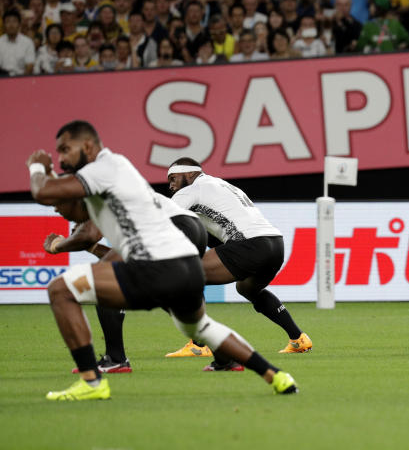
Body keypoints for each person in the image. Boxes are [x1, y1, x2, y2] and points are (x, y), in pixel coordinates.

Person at [27, 121, 298, 400]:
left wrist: (38, 167)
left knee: (61, 289)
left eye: (65, 149)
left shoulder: (103, 169)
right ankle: (275, 375)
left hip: (162, 256)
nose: (61, 157)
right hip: (185, 262)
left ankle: (98, 376)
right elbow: (82, 223)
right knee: (199, 326)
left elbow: (47, 196)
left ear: (86, 146)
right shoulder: (109, 180)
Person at [43, 191, 213, 373]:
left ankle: (116, 359)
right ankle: (224, 356)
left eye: (59, 203)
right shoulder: (118, 195)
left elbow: (88, 235)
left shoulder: (96, 198)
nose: (56, 209)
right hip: (192, 228)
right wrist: (89, 244)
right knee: (161, 293)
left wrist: (58, 245)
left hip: (170, 227)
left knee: (102, 282)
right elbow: (119, 254)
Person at [166, 157, 313, 357]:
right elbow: (215, 233)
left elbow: (163, 218)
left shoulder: (191, 191)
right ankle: (298, 338)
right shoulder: (221, 185)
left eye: (174, 178)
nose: (171, 184)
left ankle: (199, 345)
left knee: (191, 274)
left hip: (249, 244)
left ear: (190, 174)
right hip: (275, 243)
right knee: (247, 289)